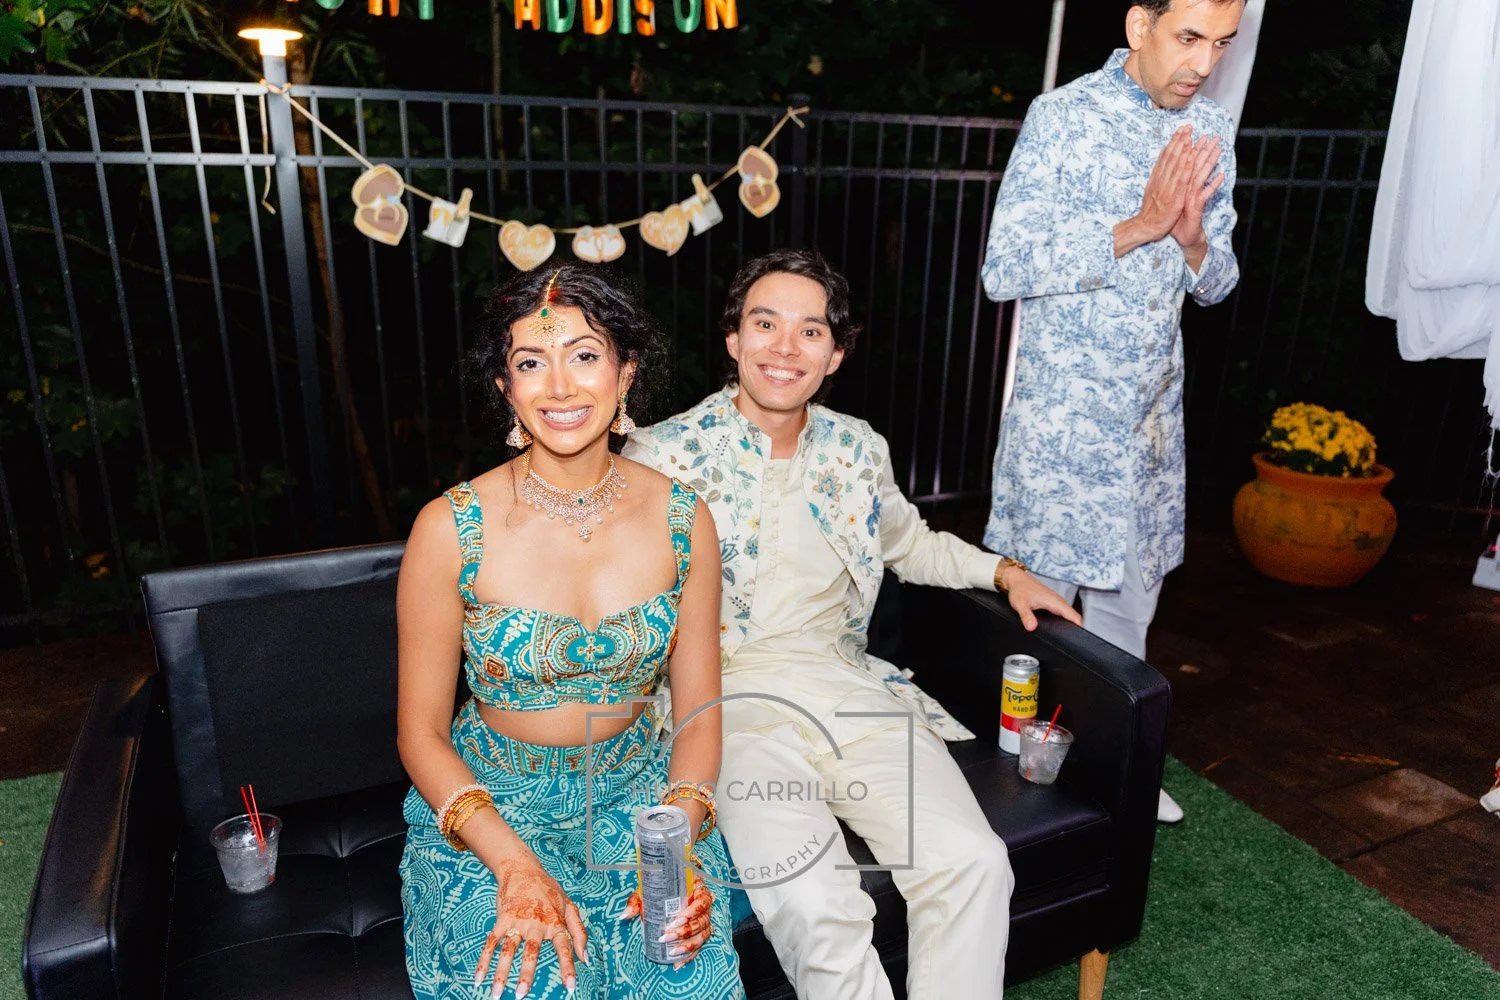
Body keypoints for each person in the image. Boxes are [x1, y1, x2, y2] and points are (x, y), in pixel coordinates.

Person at [624, 249, 1081, 1000]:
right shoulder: (661, 455)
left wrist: (1004, 572)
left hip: (848, 687)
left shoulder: (858, 449)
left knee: (973, 862)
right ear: (733, 339)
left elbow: (911, 544)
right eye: (765, 324)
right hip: (726, 703)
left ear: (835, 354)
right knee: (815, 901)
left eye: (810, 332)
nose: (784, 347)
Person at [397, 265, 745, 1000]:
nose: (559, 387)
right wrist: (514, 867)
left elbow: (698, 717)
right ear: (506, 387)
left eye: (585, 356)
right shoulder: (449, 528)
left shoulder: (685, 520)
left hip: (637, 803)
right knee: (534, 983)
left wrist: (674, 848)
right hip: (489, 811)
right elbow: (419, 734)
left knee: (683, 976)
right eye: (531, 363)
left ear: (626, 373)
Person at [981, 0, 1247, 824]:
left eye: (1222, 44)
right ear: (1140, 26)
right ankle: (1010, 791)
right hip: (1061, 431)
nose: (1204, 63)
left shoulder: (1212, 130)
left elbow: (1220, 281)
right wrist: (1139, 226)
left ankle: (1123, 767)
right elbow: (1004, 266)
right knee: (1036, 626)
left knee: (1131, 616)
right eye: (1189, 38)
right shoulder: (1061, 116)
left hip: (1149, 432)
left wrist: (1193, 240)